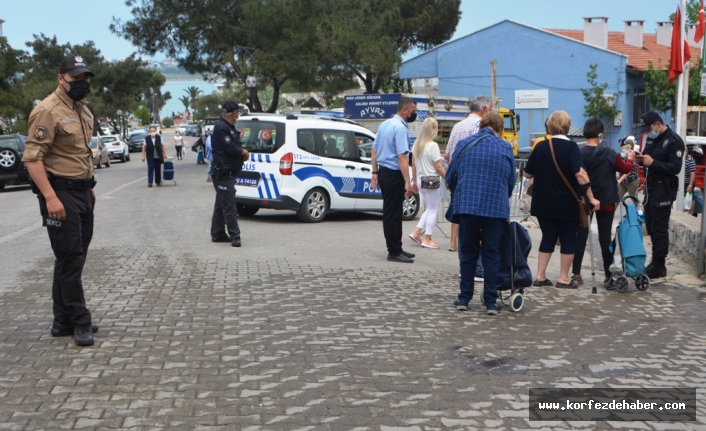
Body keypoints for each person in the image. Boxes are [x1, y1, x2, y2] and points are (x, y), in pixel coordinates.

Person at [21, 54, 99, 346]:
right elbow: (32, 159)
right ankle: (80, 321)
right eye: (76, 78)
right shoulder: (47, 111)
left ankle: (61, 320)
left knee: (71, 258)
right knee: (71, 258)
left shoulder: (83, 110)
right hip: (60, 194)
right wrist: (51, 198)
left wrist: (88, 185)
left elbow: (79, 153)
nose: (82, 82)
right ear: (61, 79)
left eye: (85, 77)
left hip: (81, 191)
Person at [446, 112, 516, 315]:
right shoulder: (505, 147)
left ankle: (464, 298)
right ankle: (491, 302)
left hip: (467, 206)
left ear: (481, 126)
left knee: (468, 253)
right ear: (499, 128)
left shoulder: (464, 144)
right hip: (495, 208)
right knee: (491, 254)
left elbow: (450, 176)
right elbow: (511, 181)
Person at [523, 111, 600, 289]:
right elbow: (580, 174)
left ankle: (540, 276)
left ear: (550, 125)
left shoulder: (541, 146)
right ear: (567, 126)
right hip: (566, 202)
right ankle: (563, 278)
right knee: (567, 238)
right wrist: (592, 198)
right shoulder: (571, 148)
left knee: (548, 236)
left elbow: (527, 173)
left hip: (543, 202)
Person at [571, 119, 635, 289]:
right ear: (600, 135)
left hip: (584, 200)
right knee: (605, 237)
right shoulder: (609, 153)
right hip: (606, 200)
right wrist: (631, 158)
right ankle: (608, 276)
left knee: (581, 236)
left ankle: (576, 274)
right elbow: (625, 168)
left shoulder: (578, 153)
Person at [636, 111, 685, 279]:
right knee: (650, 226)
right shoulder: (651, 138)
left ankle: (659, 264)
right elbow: (647, 157)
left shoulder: (674, 141)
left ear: (658, 123)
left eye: (649, 127)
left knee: (659, 228)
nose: (647, 131)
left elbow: (675, 167)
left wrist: (653, 163)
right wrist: (640, 159)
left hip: (663, 189)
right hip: (650, 189)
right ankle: (655, 260)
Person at [370, 97, 418, 263]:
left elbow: (374, 150)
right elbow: (402, 157)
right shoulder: (399, 128)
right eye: (412, 111)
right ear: (404, 110)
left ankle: (397, 247)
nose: (414, 114)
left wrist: (375, 172)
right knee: (392, 213)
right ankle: (394, 251)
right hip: (393, 173)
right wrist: (408, 181)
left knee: (394, 212)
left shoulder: (385, 124)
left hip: (384, 172)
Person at [444, 96, 492, 255]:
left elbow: (447, 155)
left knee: (458, 212)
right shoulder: (480, 126)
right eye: (490, 110)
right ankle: (474, 259)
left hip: (456, 176)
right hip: (474, 178)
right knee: (474, 219)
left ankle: (454, 243)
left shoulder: (457, 126)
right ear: (484, 109)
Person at [210, 101, 249, 247]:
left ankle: (218, 233)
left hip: (228, 171)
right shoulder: (221, 127)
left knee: (221, 204)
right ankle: (235, 236)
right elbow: (229, 147)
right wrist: (243, 152)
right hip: (223, 172)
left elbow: (233, 145)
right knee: (229, 206)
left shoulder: (228, 127)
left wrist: (241, 152)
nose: (238, 114)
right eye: (237, 112)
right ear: (233, 113)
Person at [408, 117, 446, 249]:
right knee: (434, 209)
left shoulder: (417, 144)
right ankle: (427, 237)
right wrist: (448, 178)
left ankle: (417, 231)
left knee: (429, 208)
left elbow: (413, 164)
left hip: (419, 179)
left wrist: (413, 182)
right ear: (433, 130)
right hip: (431, 179)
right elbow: (438, 166)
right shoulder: (433, 146)